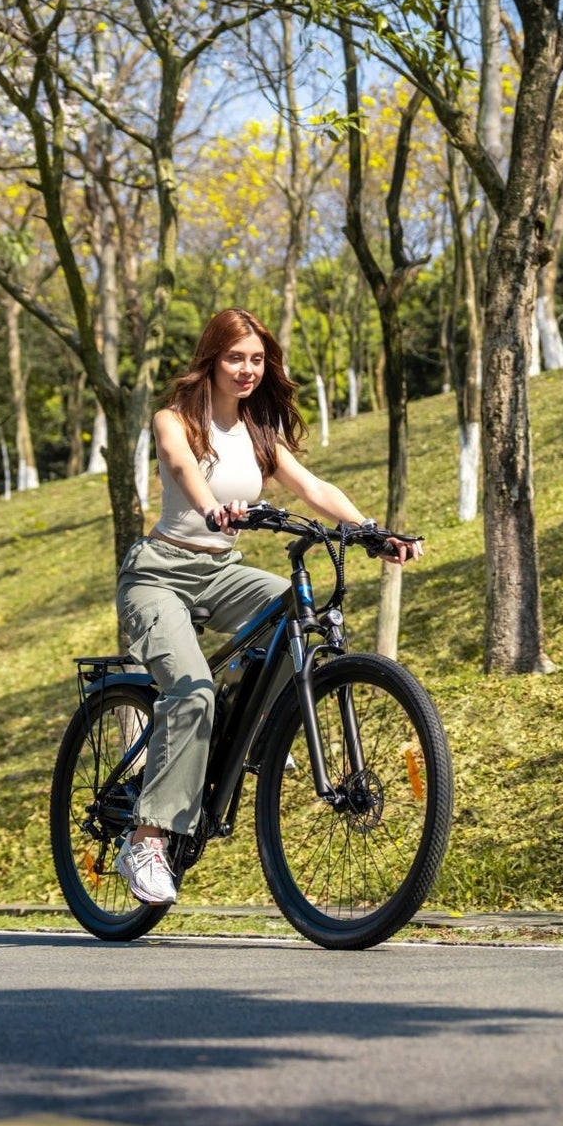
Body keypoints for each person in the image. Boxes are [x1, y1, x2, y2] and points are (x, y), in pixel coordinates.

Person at [114, 307, 420, 905]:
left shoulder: (258, 435)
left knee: (296, 611)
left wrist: (372, 530)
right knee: (192, 691)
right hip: (159, 575)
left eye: (257, 359)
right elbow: (181, 466)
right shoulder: (174, 420)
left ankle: (243, 730)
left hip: (219, 572)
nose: (248, 370)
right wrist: (210, 507)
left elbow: (315, 489)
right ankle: (145, 841)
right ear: (211, 358)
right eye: (236, 358)